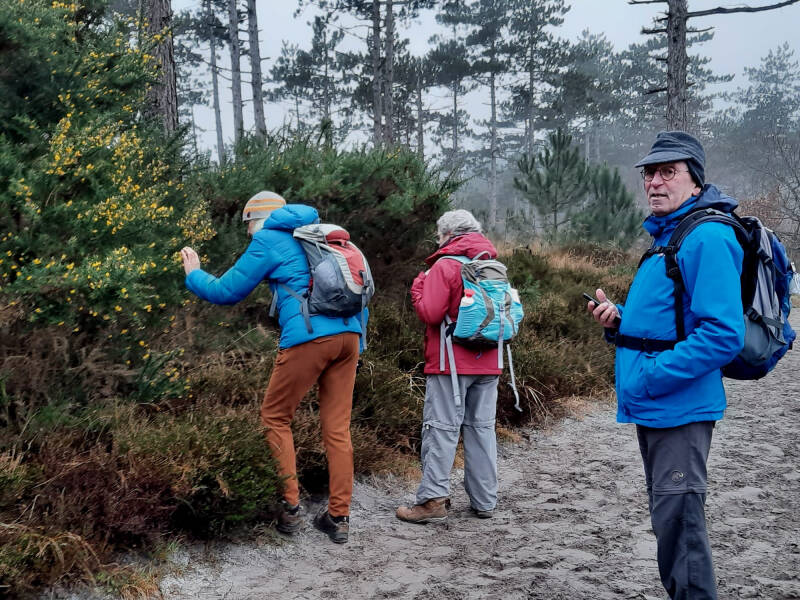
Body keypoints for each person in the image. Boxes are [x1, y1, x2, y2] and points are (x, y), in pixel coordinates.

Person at [586, 131, 745, 599]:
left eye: (668, 172)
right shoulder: (669, 237)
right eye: (650, 173)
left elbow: (723, 334)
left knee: (681, 529)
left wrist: (653, 375)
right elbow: (672, 321)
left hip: (678, 406)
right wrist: (619, 322)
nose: (654, 182)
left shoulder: (707, 237)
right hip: (657, 405)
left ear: (695, 180)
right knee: (670, 522)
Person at [180, 191, 366, 544]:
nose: (248, 232)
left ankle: (290, 508)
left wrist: (194, 274)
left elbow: (226, 291)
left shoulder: (268, 239)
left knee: (275, 416)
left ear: (258, 219)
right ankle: (339, 517)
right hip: (349, 337)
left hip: (309, 337)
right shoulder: (322, 237)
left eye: (248, 224)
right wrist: (356, 344)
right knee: (338, 428)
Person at [396, 209, 501, 524]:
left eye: (438, 234)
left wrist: (418, 288)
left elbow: (430, 313)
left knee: (440, 428)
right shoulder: (492, 264)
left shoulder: (445, 265)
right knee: (482, 430)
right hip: (490, 360)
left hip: (451, 363)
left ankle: (432, 501)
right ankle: (485, 501)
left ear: (448, 234)